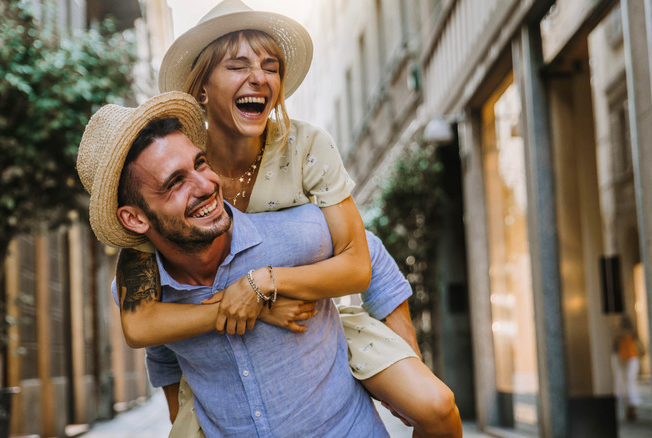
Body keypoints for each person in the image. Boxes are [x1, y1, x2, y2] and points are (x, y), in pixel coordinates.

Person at [116, 1, 462, 437]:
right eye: (238, 65)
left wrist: (263, 283)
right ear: (202, 88)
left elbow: (362, 256)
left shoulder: (306, 147)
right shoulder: (176, 167)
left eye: (270, 66)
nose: (259, 77)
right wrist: (252, 308)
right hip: (217, 361)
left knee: (434, 405)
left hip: (315, 316)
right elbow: (147, 321)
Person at [613, 315, 644, 421]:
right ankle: (630, 407)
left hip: (630, 357)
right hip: (624, 357)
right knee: (625, 383)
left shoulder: (626, 333)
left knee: (629, 382)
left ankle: (632, 406)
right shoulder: (624, 333)